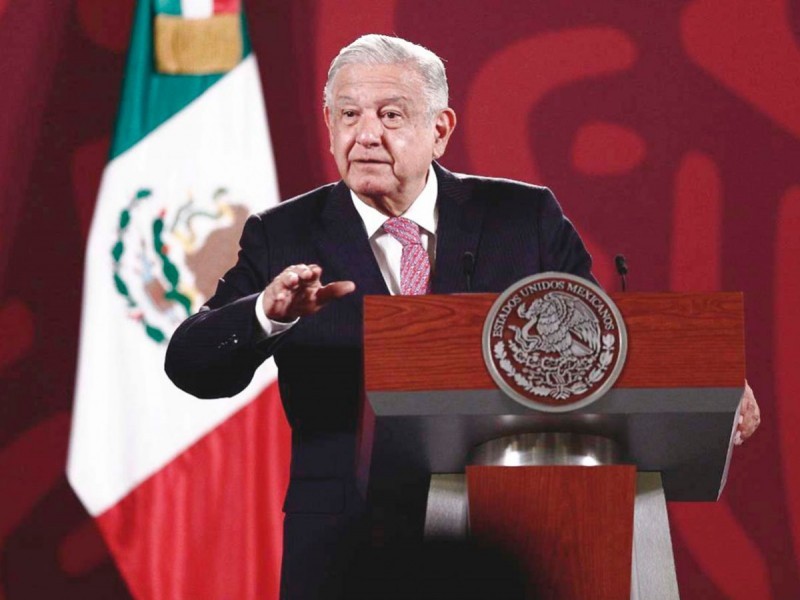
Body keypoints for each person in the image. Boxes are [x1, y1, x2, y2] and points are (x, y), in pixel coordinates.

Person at [165, 34, 760, 599]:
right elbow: (190, 364)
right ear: (329, 125)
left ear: (440, 129)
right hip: (347, 546)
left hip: (510, 536)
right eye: (348, 115)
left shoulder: (523, 218)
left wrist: (702, 379)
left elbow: (597, 343)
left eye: (390, 115)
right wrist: (264, 314)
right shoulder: (284, 234)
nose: (366, 134)